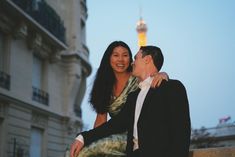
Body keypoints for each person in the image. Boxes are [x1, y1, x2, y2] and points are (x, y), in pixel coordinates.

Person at [70, 45, 191, 157]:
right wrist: (83, 137)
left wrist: (164, 75)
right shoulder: (133, 97)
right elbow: (114, 124)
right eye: (116, 55)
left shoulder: (172, 88)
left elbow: (181, 134)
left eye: (135, 58)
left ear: (147, 59)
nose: (133, 62)